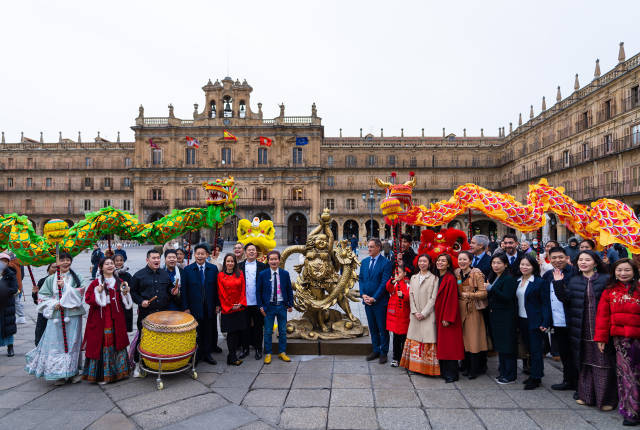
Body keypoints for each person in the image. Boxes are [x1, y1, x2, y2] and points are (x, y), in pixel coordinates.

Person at [565, 250, 617, 411]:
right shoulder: (573, 280)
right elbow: (566, 301)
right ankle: (586, 396)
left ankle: (607, 399)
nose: (583, 262)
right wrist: (559, 284)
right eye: (580, 260)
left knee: (603, 364)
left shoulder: (605, 279)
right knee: (585, 362)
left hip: (601, 328)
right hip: (581, 328)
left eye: (587, 260)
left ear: (595, 262)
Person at [25, 251, 85, 385]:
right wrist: (54, 304)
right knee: (55, 344)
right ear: (57, 262)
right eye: (62, 260)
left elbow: (80, 293)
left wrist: (66, 287)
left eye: (67, 260)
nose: (65, 262)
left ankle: (73, 371)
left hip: (73, 315)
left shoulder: (77, 277)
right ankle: (58, 373)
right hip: (56, 315)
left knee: (73, 343)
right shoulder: (50, 279)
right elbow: (42, 296)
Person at [595, 259, 640, 426]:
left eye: (627, 270)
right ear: (614, 272)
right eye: (619, 270)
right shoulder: (609, 291)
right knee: (627, 376)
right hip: (621, 341)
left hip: (638, 338)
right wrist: (601, 338)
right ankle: (631, 411)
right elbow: (602, 316)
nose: (623, 273)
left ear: (634, 271)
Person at [82, 257, 132, 384]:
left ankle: (120, 372)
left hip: (117, 318)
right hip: (101, 318)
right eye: (107, 264)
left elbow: (125, 301)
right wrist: (97, 293)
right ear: (101, 267)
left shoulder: (120, 281)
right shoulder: (95, 283)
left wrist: (126, 293)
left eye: (112, 263)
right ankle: (103, 375)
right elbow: (88, 299)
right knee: (103, 342)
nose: (110, 265)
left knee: (117, 341)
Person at [543, 246, 578, 391]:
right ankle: (568, 380)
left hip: (572, 320)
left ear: (567, 258)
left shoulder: (575, 274)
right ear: (549, 260)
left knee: (575, 353)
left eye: (560, 257)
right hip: (557, 320)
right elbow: (546, 299)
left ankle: (579, 384)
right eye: (554, 258)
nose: (557, 260)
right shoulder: (548, 275)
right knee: (564, 352)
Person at [181, 244, 221, 365]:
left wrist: (217, 305)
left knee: (208, 330)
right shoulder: (188, 270)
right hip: (194, 306)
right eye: (198, 253)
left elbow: (216, 289)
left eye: (202, 254)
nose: (200, 256)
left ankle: (207, 353)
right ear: (194, 255)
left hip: (209, 306)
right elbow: (184, 291)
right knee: (196, 332)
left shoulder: (213, 269)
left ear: (207, 255)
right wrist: (186, 307)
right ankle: (196, 354)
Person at [400, 254, 439, 375]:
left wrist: (424, 313)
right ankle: (414, 366)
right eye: (420, 261)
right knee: (414, 338)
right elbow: (410, 295)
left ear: (429, 263)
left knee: (427, 339)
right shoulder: (414, 278)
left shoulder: (434, 278)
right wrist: (415, 311)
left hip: (428, 314)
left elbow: (433, 298)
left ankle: (426, 368)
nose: (422, 263)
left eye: (425, 261)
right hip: (415, 314)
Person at [516, 255, 551, 390]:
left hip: (534, 320)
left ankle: (536, 377)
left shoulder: (539, 282)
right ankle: (532, 373)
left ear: (533, 267)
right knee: (529, 349)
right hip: (521, 319)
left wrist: (545, 322)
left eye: (527, 265)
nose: (524, 267)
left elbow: (545, 304)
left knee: (536, 350)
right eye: (522, 264)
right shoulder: (518, 281)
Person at [257, 250, 294, 364]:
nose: (273, 261)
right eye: (271, 259)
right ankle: (268, 353)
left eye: (275, 259)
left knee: (282, 331)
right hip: (269, 307)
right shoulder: (263, 274)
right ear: (268, 261)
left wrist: (290, 304)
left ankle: (282, 352)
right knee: (268, 331)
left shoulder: (284, 274)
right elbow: (258, 291)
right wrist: (261, 306)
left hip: (282, 306)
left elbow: (289, 289)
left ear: (279, 260)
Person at [359, 238, 393, 363]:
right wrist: (363, 295)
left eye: (371, 247)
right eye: (368, 246)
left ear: (379, 248)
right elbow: (361, 279)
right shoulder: (364, 262)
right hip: (367, 301)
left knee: (382, 328)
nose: (369, 249)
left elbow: (384, 283)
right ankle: (375, 349)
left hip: (380, 302)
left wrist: (374, 298)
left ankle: (384, 352)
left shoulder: (386, 263)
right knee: (372, 328)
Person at [456, 251, 488, 379]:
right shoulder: (457, 273)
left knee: (474, 339)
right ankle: (465, 365)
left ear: (470, 261)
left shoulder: (476, 274)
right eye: (460, 259)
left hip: (473, 309)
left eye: (465, 259)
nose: (462, 262)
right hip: (460, 309)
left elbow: (483, 293)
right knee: (463, 338)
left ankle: (475, 368)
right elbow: (458, 287)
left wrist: (470, 295)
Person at [487, 253, 518, 384]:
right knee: (501, 345)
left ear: (505, 264)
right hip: (496, 315)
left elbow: (506, 296)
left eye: (499, 263)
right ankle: (503, 371)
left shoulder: (509, 278)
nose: (496, 265)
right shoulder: (494, 276)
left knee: (508, 346)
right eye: (494, 263)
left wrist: (491, 288)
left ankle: (510, 374)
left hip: (506, 316)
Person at [434, 253, 465, 382]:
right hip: (439, 314)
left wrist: (447, 317)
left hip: (447, 316)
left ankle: (452, 374)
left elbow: (452, 299)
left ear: (448, 264)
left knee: (450, 346)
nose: (440, 263)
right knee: (443, 345)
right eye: (438, 260)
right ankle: (444, 371)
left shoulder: (450, 278)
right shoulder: (437, 277)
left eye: (443, 261)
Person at [239, 243, 268, 360]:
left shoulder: (263, 266)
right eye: (249, 250)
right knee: (244, 327)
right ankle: (245, 349)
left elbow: (266, 286)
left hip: (258, 303)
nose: (251, 252)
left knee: (258, 327)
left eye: (253, 250)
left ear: (256, 253)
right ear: (245, 252)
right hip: (244, 302)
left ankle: (258, 349)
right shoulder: (239, 266)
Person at [218, 253, 247, 366]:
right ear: (225, 263)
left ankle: (232, 356)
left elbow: (243, 289)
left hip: (239, 308)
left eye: (232, 261)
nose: (230, 263)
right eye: (228, 261)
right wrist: (230, 305)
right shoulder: (220, 275)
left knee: (237, 332)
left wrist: (240, 303)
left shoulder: (240, 274)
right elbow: (221, 292)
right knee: (231, 333)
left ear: (235, 263)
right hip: (228, 309)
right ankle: (232, 356)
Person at [385, 263, 411, 367]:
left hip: (404, 315)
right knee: (396, 338)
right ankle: (396, 357)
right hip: (395, 315)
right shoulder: (394, 283)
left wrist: (404, 296)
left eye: (399, 272)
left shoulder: (408, 284)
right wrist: (393, 280)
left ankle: (403, 357)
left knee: (404, 338)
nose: (397, 274)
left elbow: (410, 297)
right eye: (396, 272)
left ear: (404, 273)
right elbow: (388, 288)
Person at [33, 263, 56, 346]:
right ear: (48, 269)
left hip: (56, 311)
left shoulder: (62, 281)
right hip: (44, 311)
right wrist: (35, 293)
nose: (55, 269)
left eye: (57, 267)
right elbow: (37, 301)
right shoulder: (42, 281)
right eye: (53, 267)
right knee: (41, 330)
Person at [0, 253, 17, 357]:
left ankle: (10, 347)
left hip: (7, 304)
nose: (2, 263)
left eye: (5, 261)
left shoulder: (10, 274)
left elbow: (14, 289)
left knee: (8, 327)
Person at [113, 254, 134, 332]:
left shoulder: (127, 275)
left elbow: (132, 286)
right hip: (115, 301)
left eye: (121, 260)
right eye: (117, 261)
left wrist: (129, 289)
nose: (119, 262)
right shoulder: (110, 274)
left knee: (125, 324)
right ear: (113, 262)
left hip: (125, 301)